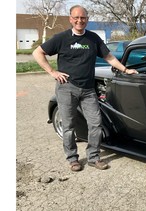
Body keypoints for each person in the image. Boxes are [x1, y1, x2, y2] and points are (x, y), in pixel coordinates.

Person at [33, 5, 138, 172]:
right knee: (68, 126)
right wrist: (52, 72)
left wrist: (125, 69)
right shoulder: (61, 38)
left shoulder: (93, 39)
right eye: (76, 18)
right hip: (67, 88)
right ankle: (73, 159)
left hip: (88, 90)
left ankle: (93, 157)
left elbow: (108, 57)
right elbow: (37, 52)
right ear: (70, 19)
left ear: (87, 19)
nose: (79, 21)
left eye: (83, 18)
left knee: (95, 123)